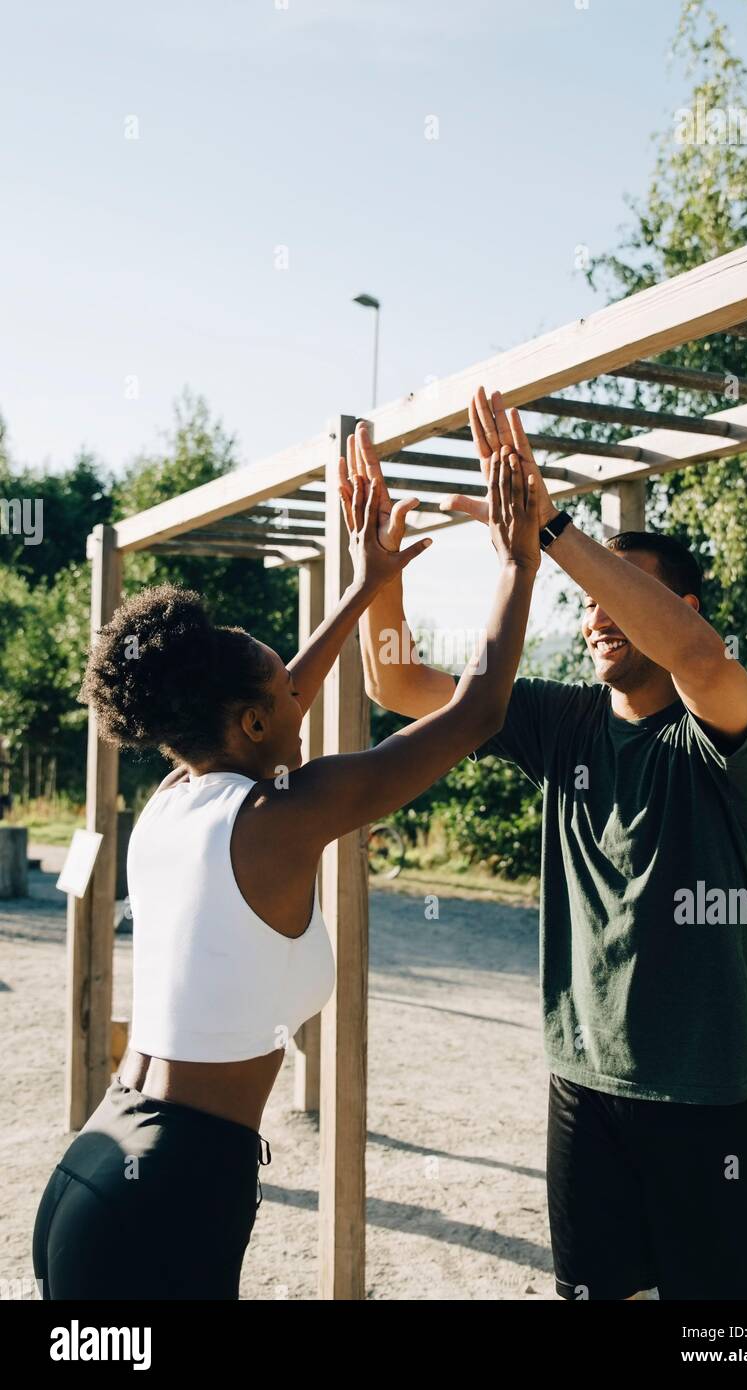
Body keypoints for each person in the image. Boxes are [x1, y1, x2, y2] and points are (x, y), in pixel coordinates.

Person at [31, 436, 540, 1300]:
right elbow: (481, 708)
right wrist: (518, 560)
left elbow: (272, 696)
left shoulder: (175, 794)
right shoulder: (283, 816)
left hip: (99, 1164)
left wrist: (367, 584)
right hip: (169, 1191)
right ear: (253, 725)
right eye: (285, 696)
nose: (303, 702)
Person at [357, 386, 747, 1302]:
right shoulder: (562, 723)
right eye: (583, 600)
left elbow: (701, 661)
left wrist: (553, 530)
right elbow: (398, 680)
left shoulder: (721, 729)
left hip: (711, 1095)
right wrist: (379, 575)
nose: (593, 613)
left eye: (612, 594)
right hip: (583, 1085)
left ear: (675, 605)